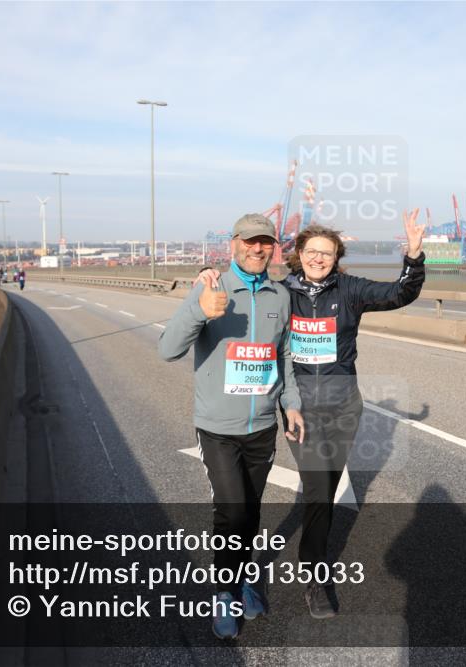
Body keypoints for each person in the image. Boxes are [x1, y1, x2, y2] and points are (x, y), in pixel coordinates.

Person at [198, 210, 426, 618]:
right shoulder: (283, 292)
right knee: (319, 490)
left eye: (327, 253)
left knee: (323, 493)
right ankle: (315, 577)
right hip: (300, 404)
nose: (319, 259)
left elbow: (400, 294)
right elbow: (245, 288)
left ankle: (310, 565)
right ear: (298, 253)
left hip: (342, 404)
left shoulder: (351, 290)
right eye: (312, 251)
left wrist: (413, 253)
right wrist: (206, 274)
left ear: (336, 258)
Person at [158, 213, 305, 640]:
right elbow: (168, 349)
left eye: (266, 243)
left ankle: (242, 580)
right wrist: (198, 312)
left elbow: (285, 358)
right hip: (217, 427)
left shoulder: (280, 296)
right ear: (233, 244)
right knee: (232, 510)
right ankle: (224, 592)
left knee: (252, 512)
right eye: (250, 242)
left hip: (261, 426)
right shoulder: (210, 287)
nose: (258, 249)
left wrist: (290, 406)